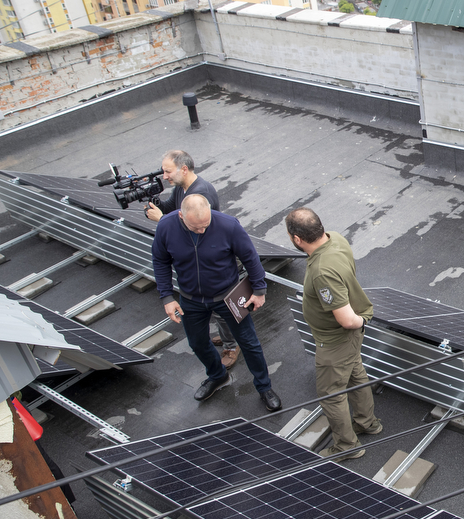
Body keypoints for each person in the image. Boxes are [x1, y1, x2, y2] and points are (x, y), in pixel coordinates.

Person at [153, 194, 282, 412]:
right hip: (191, 300)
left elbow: (250, 257)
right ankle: (217, 375)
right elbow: (160, 260)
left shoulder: (228, 225)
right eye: (196, 228)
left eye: (205, 225)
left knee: (249, 343)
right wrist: (166, 297)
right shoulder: (166, 226)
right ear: (181, 216)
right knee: (197, 343)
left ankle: (264, 387)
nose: (202, 231)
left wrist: (259, 290)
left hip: (228, 297)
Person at [285, 207, 380, 460]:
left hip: (336, 341)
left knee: (331, 394)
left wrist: (360, 323)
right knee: (356, 375)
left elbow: (347, 320)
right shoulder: (336, 238)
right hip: (347, 341)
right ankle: (367, 423)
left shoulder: (322, 271)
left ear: (297, 238)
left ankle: (347, 446)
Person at [146, 149, 240, 370]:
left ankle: (231, 345)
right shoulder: (182, 188)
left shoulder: (201, 194)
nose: (165, 176)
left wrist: (161, 221)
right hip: (197, 264)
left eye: (168, 171)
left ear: (184, 169)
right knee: (215, 311)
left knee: (221, 309)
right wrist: (155, 202)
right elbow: (171, 209)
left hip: (212, 265)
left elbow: (190, 229)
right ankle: (227, 337)